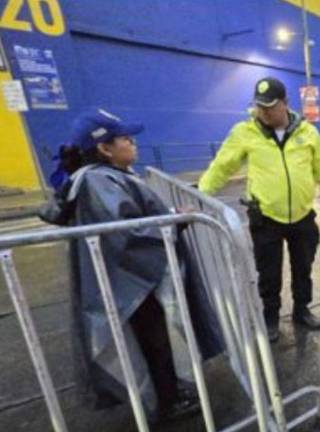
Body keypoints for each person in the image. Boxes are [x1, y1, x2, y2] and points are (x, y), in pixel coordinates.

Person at [39, 109, 223, 422]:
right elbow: (127, 232)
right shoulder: (99, 181)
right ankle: (166, 404)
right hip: (134, 285)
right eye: (126, 139)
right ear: (104, 148)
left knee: (153, 341)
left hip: (131, 280)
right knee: (153, 343)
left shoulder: (105, 177)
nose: (133, 144)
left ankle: (168, 394)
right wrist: (175, 221)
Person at [198, 77, 320, 343]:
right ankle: (271, 317)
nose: (263, 112)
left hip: (301, 216)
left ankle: (301, 310)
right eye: (259, 106)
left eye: (270, 106)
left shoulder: (308, 133)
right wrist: (199, 197)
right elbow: (221, 167)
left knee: (303, 268)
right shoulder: (245, 132)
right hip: (266, 218)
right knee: (269, 273)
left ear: (286, 104)